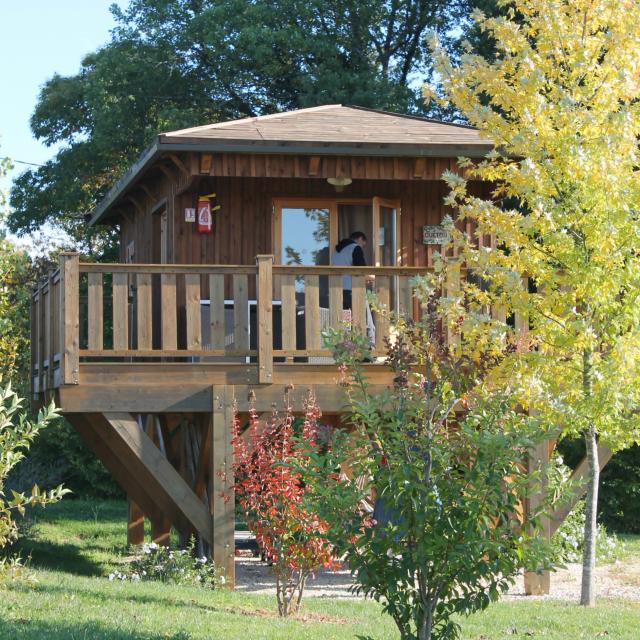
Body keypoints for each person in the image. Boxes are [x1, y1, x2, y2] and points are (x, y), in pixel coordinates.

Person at [331, 231, 368, 310]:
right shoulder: (355, 247)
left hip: (336, 287)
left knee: (343, 318)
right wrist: (368, 277)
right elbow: (361, 269)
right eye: (363, 245)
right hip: (351, 288)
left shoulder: (335, 251)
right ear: (360, 239)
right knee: (357, 316)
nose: (362, 247)